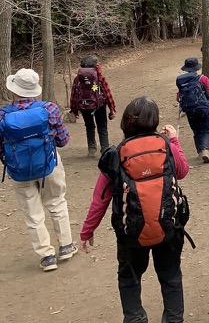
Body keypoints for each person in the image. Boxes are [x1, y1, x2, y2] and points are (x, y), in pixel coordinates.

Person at [80, 96, 189, 323]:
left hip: (131, 232)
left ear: (126, 122)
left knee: (129, 278)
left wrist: (87, 231)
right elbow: (182, 171)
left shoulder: (116, 154)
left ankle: (135, 318)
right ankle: (174, 319)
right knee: (170, 276)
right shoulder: (165, 145)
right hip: (168, 226)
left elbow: (100, 199)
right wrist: (175, 141)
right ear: (155, 122)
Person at [0, 68, 76, 272]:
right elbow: (63, 140)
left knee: (32, 213)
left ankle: (47, 256)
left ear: (14, 90)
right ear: (34, 89)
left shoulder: (3, 115)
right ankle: (66, 245)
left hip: (19, 170)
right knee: (57, 202)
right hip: (49, 164)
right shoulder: (49, 109)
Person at [69, 54, 117, 157]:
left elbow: (74, 94)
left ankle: (91, 149)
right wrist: (112, 108)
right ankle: (105, 149)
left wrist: (74, 110)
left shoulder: (78, 79)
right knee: (102, 127)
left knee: (89, 126)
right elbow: (107, 92)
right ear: (95, 65)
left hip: (84, 106)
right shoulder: (98, 77)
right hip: (99, 105)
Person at [175, 56, 209, 163]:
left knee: (196, 131)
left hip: (189, 110)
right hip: (204, 108)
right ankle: (206, 150)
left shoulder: (181, 81)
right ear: (196, 68)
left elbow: (178, 97)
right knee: (206, 130)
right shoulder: (203, 78)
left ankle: (200, 152)